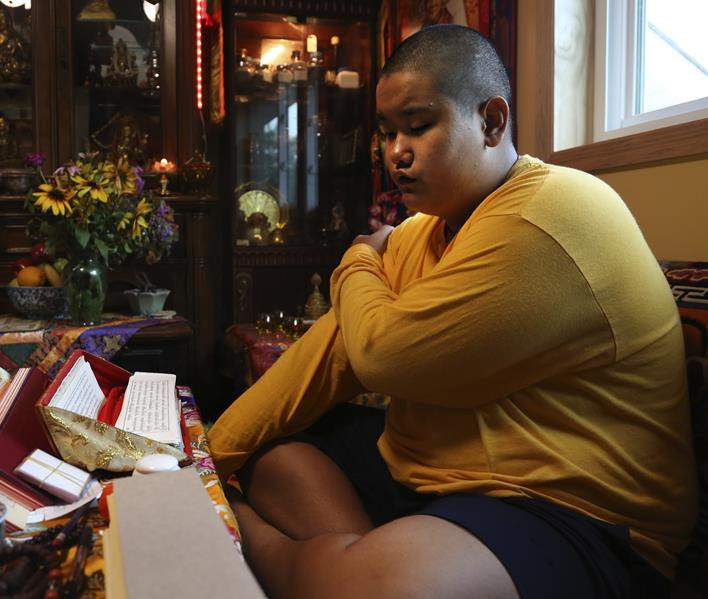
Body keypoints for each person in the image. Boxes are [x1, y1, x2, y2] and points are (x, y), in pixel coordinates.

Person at [207, 24, 697, 599]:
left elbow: (380, 355)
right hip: (431, 472)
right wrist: (206, 456)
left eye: (418, 126)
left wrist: (358, 258)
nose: (396, 153)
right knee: (273, 454)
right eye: (387, 133)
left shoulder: (552, 211)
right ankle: (358, 561)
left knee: (378, 582)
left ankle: (258, 542)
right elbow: (332, 350)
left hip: (570, 505)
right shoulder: (425, 231)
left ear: (492, 122)